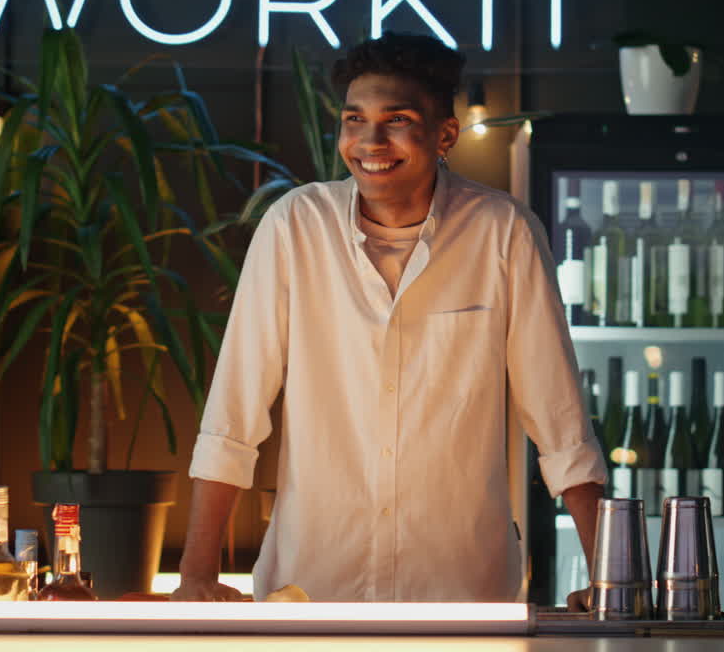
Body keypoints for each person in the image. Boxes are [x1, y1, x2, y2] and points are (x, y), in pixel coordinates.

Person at [172, 32, 605, 606]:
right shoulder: (294, 226)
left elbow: (560, 420)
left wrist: (611, 579)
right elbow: (235, 409)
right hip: (311, 591)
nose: (371, 141)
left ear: (445, 135)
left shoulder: (503, 232)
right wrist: (196, 573)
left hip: (461, 595)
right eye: (355, 119)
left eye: (397, 120)